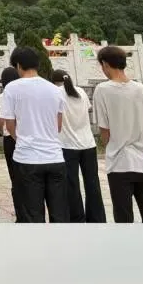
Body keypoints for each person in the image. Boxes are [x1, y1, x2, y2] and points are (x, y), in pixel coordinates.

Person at [93, 46, 143, 223]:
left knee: (123, 218)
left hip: (119, 164)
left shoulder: (102, 89)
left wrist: (111, 145)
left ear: (105, 64)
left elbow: (104, 130)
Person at [0, 48, 69, 223]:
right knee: (59, 215)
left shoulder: (12, 88)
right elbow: (58, 126)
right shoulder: (55, 90)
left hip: (27, 159)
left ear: (18, 65)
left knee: (32, 216)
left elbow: (9, 124)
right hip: (55, 158)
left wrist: (21, 138)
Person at [51, 70, 106, 222]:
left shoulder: (55, 93)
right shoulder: (81, 92)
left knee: (71, 184)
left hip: (67, 145)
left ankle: (76, 218)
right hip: (88, 143)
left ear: (53, 82)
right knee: (92, 182)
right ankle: (97, 218)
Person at [0, 67, 21, 220]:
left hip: (10, 139)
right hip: (24, 138)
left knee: (14, 176)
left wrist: (3, 130)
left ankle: (19, 211)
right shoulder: (23, 92)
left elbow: (1, 120)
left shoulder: (4, 95)